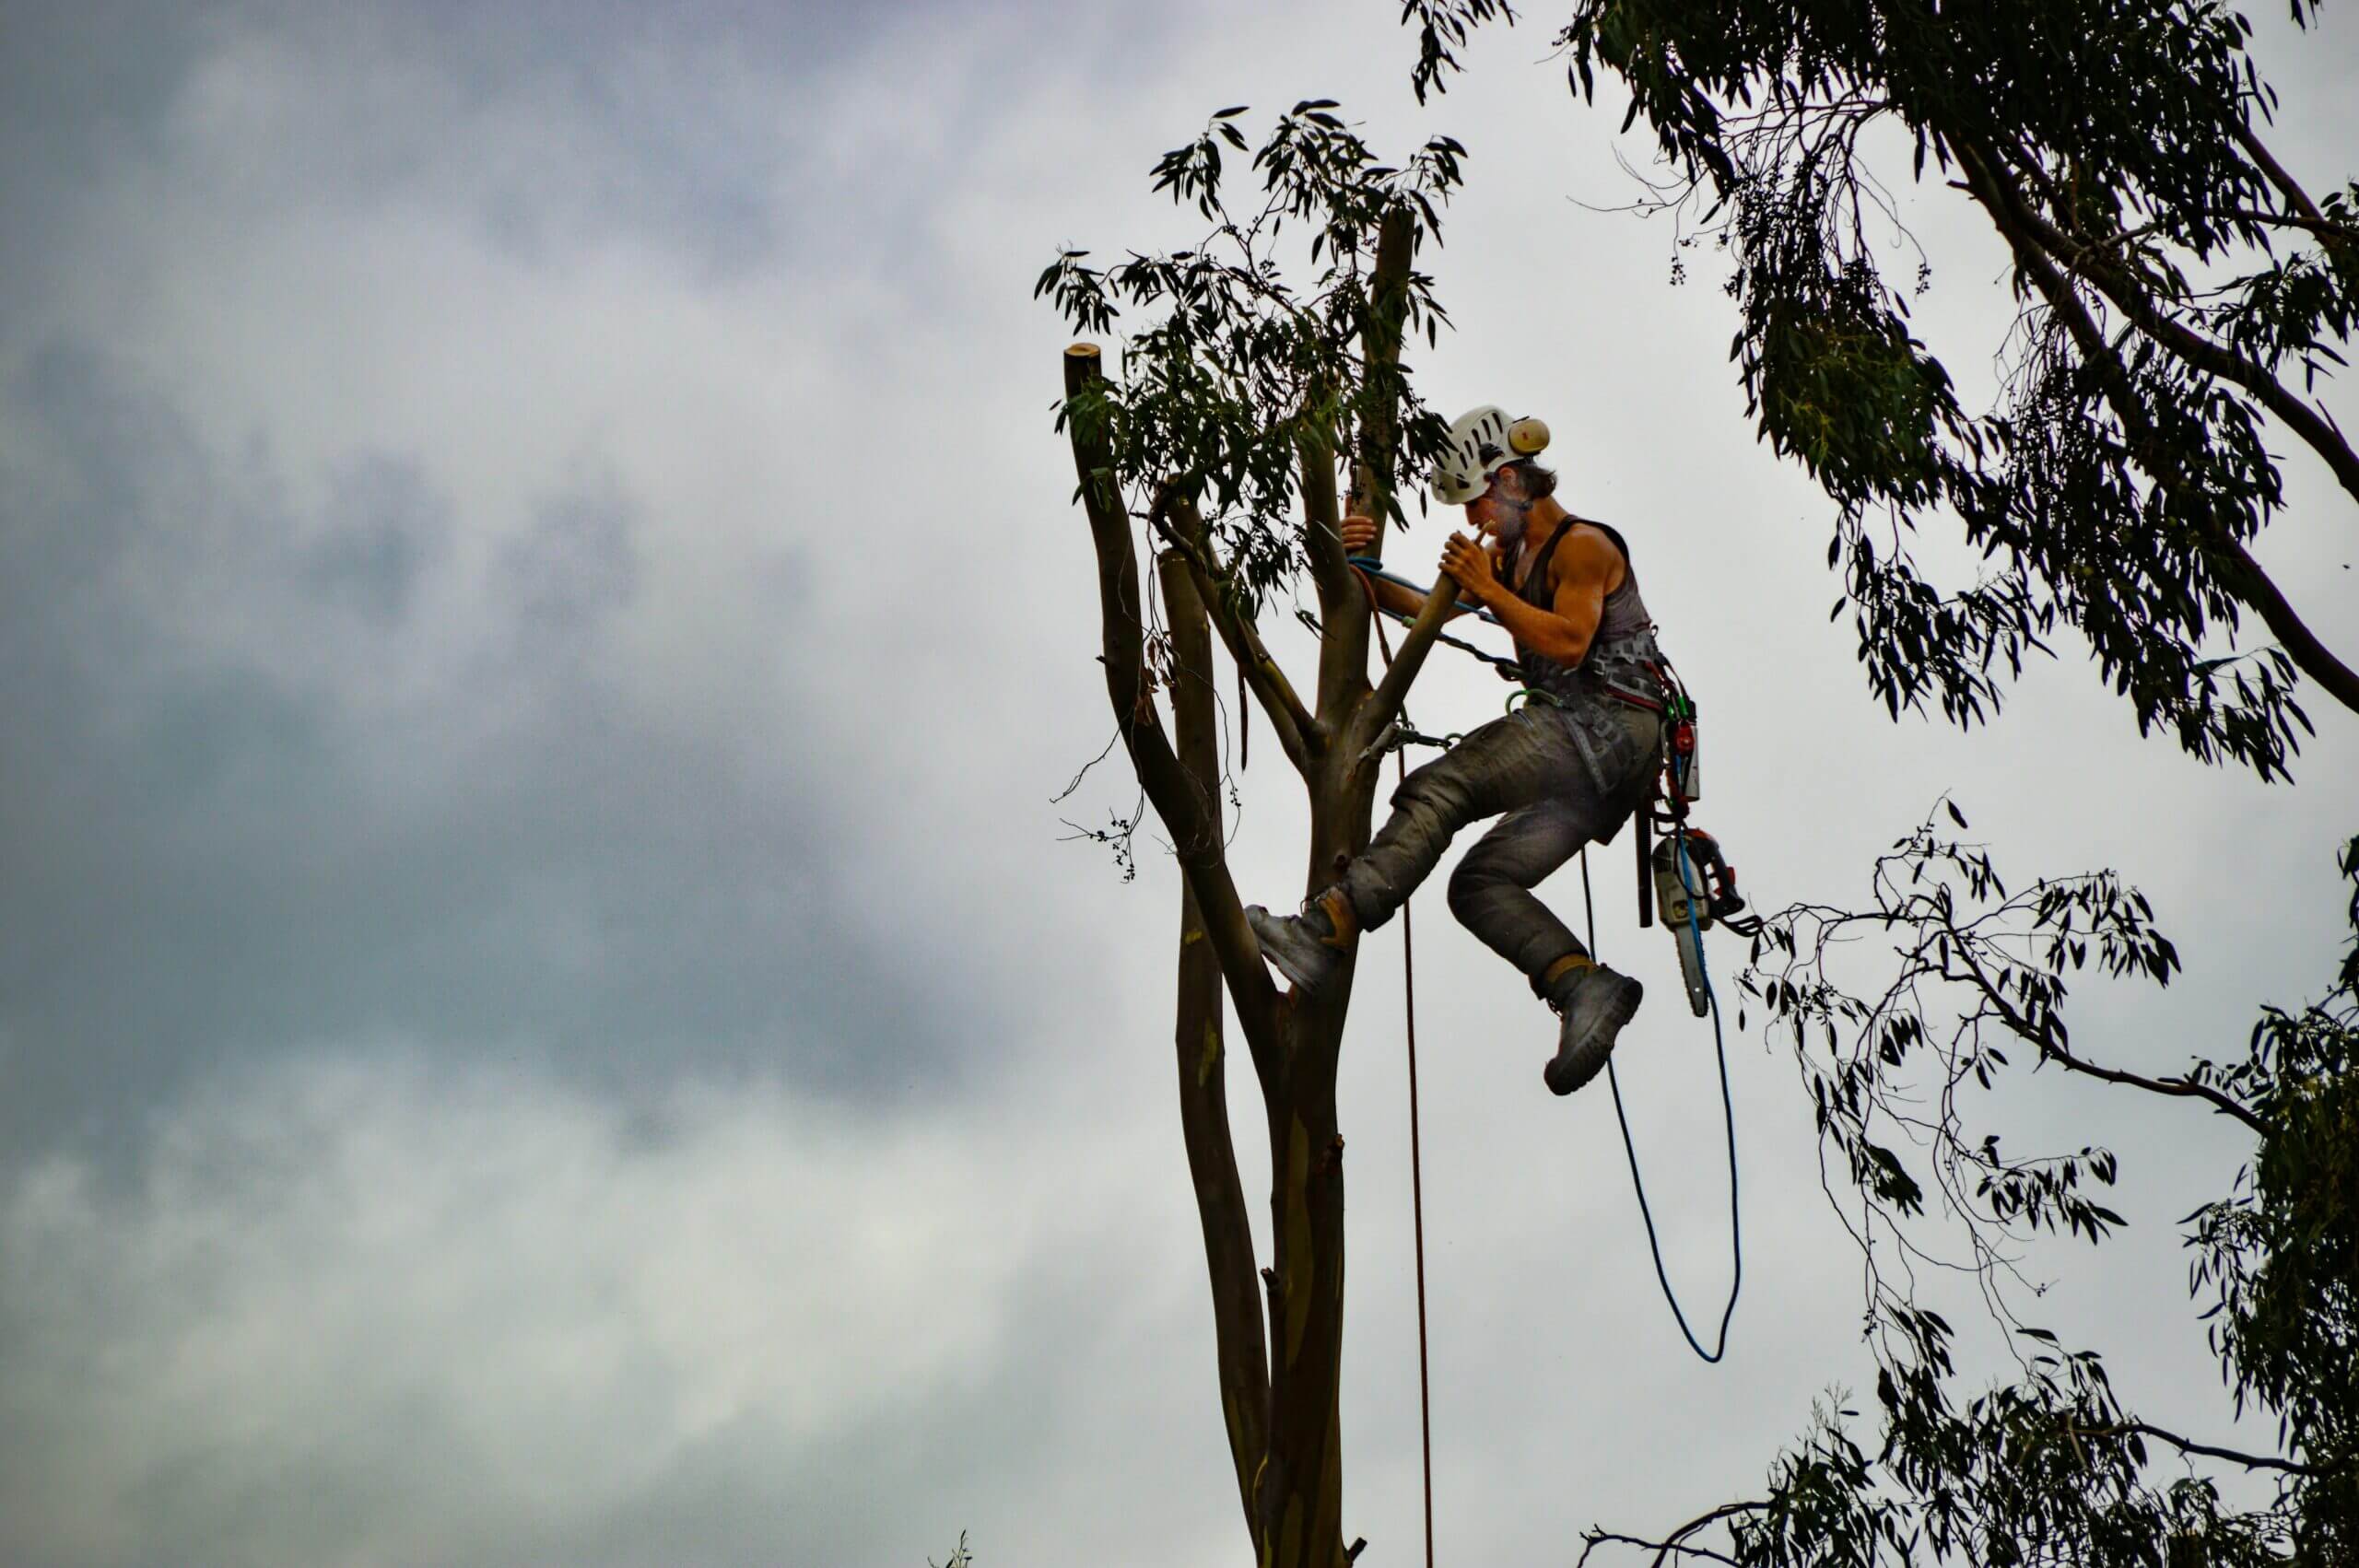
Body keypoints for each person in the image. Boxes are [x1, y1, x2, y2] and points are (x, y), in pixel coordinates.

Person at [1246, 405, 1668, 1094]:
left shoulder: (1583, 547)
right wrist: (1356, 563)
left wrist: (1489, 587)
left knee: (1445, 785)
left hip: (1607, 726)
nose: (1474, 519)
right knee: (1478, 885)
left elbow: (1567, 641)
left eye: (1477, 501)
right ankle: (1581, 984)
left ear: (1509, 479)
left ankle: (1328, 927)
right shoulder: (1510, 561)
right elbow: (1427, 605)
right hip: (1592, 766)